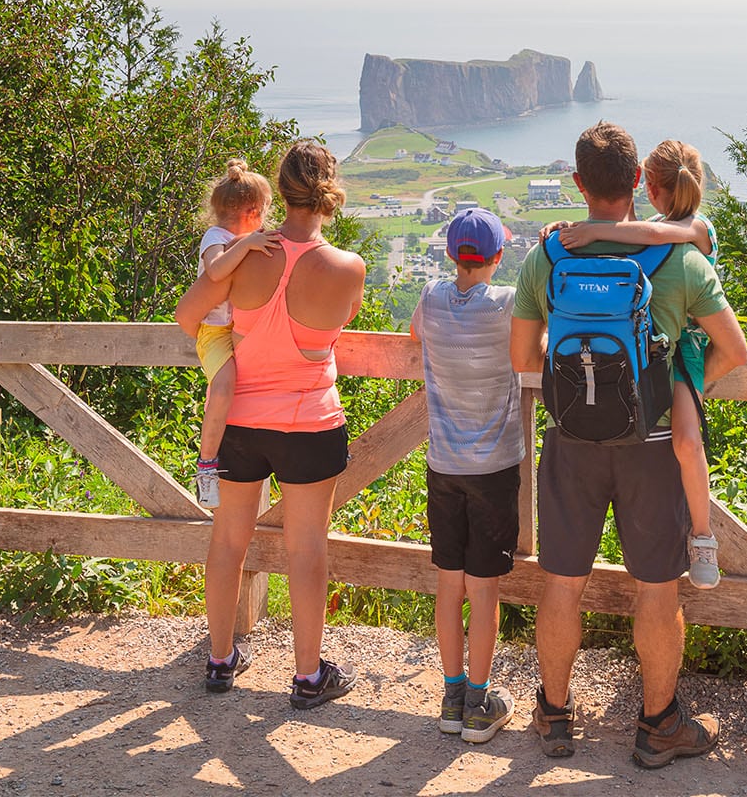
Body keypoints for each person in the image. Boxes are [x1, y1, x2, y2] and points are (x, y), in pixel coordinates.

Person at [511, 122, 747, 769]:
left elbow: (521, 357)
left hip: (570, 441)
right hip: (652, 444)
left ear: (580, 183)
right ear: (636, 183)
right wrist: (681, 391)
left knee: (560, 585)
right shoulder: (681, 260)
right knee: (657, 592)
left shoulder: (547, 257)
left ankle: (554, 717)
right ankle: (659, 726)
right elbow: (734, 350)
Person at [176, 140, 367, 709]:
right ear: (330, 194)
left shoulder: (244, 254)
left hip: (241, 421)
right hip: (310, 421)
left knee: (229, 538)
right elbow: (340, 323)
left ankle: (219, 660)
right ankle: (308, 678)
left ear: (277, 191)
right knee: (306, 550)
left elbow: (189, 317)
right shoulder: (346, 267)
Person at [546, 139, 721, 588]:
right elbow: (645, 232)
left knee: (687, 440)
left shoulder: (694, 231)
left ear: (651, 187)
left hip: (688, 353)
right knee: (683, 441)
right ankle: (700, 535)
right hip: (673, 353)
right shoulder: (670, 228)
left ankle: (703, 535)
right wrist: (582, 227)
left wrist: (590, 232)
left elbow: (649, 236)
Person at [409, 207, 525, 745]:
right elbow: (535, 346)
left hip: (443, 467)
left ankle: (451, 697)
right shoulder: (505, 305)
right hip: (494, 469)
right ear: (499, 257)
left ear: (454, 255)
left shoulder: (430, 297)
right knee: (484, 591)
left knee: (448, 584)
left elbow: (414, 333)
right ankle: (479, 704)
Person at [191, 160, 279, 509]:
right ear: (252, 210)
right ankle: (206, 465)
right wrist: (247, 244)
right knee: (224, 387)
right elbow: (215, 271)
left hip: (240, 329)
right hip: (214, 332)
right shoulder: (216, 238)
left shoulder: (242, 238)